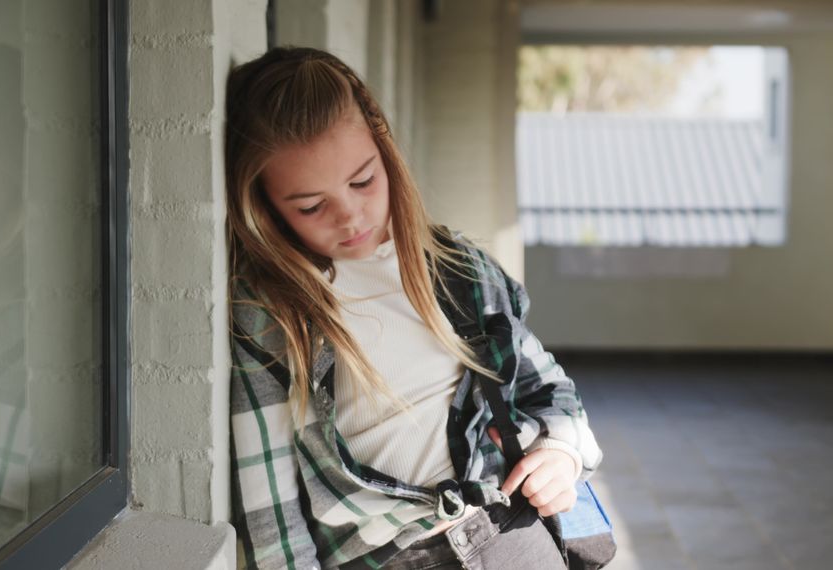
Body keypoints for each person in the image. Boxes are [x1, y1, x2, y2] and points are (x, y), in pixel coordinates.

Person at [224, 46, 603, 570]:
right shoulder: (270, 314)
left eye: (363, 181)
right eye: (311, 205)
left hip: (511, 535)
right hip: (386, 557)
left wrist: (562, 452)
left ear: (386, 153)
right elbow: (271, 501)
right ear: (264, 204)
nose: (350, 214)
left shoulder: (458, 267)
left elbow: (550, 390)